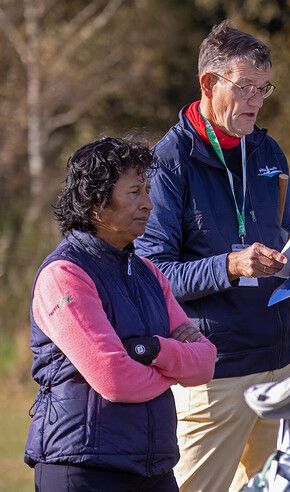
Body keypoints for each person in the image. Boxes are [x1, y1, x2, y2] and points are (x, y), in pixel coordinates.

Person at [134, 21, 290, 491]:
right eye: (245, 87)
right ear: (208, 84)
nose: (256, 101)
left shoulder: (268, 150)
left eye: (263, 89)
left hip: (282, 363)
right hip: (214, 373)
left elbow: (289, 237)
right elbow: (153, 273)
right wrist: (230, 265)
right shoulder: (167, 162)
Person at [25, 138, 217, 491]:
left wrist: (156, 351)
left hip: (154, 469)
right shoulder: (65, 274)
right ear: (96, 202)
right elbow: (115, 380)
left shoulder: (149, 273)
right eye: (134, 192)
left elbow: (205, 363)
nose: (148, 203)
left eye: (147, 190)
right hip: (83, 469)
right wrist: (174, 369)